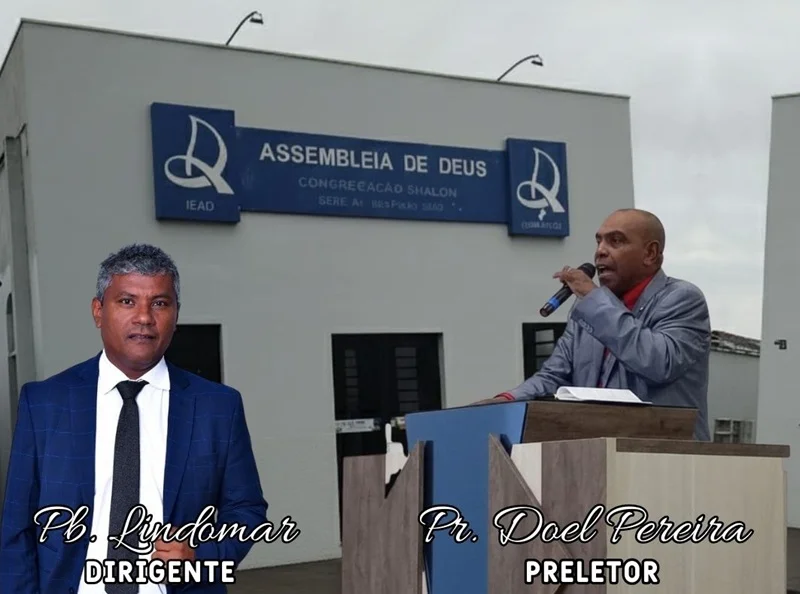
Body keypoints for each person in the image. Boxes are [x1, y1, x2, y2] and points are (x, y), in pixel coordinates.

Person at [0, 244, 267, 593]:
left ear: (176, 315)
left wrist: (201, 557)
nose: (144, 317)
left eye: (160, 303)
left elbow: (246, 510)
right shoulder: (45, 403)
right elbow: (17, 526)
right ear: (98, 311)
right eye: (127, 301)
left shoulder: (218, 407)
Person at [485, 208, 712, 441]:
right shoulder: (589, 308)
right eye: (598, 241)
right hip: (598, 452)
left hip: (665, 455)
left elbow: (658, 363)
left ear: (650, 253)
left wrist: (593, 299)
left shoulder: (682, 298)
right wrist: (505, 401)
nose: (600, 251)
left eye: (616, 241)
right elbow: (554, 377)